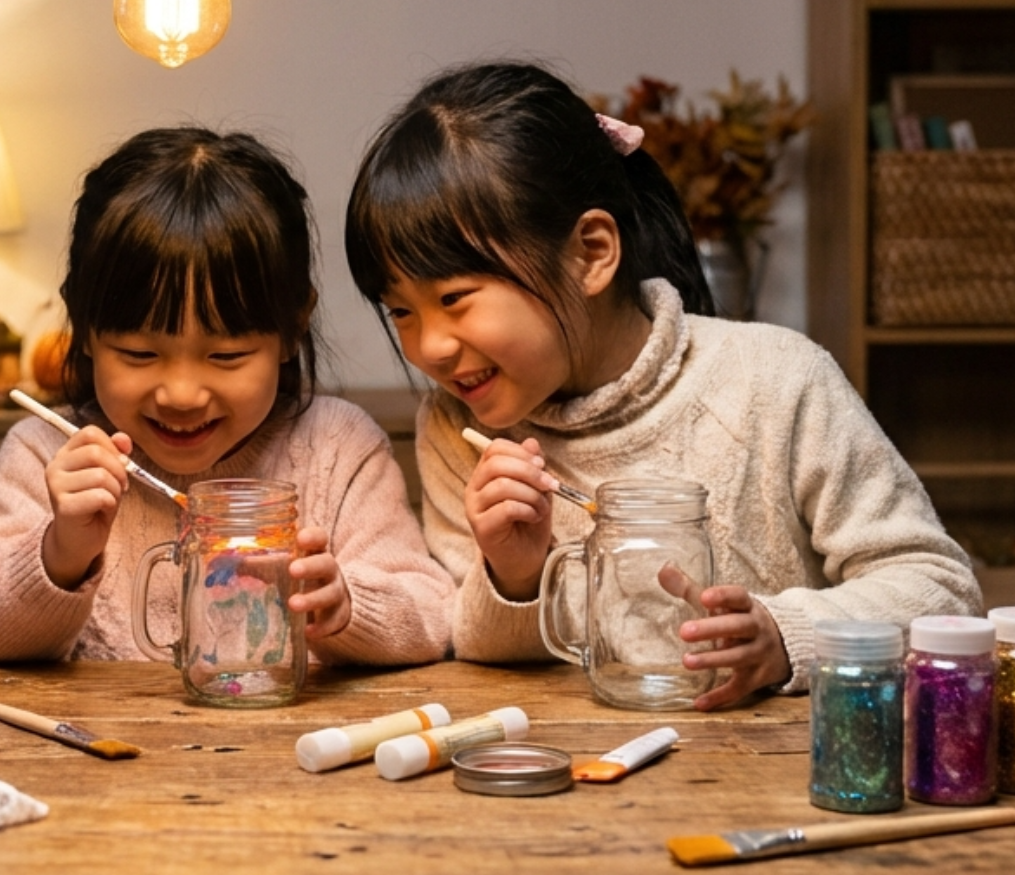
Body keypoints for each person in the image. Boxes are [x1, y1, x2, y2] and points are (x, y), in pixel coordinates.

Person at [343, 61, 980, 709]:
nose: (429, 346)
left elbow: (939, 588)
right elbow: (475, 646)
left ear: (591, 252)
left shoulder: (776, 383)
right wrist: (515, 573)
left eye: (454, 297)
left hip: (779, 783)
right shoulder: (460, 430)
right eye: (401, 311)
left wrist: (788, 636)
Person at [0, 127, 452, 665]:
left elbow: (430, 616)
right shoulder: (46, 452)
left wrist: (347, 608)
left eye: (226, 357)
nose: (181, 395)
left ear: (293, 327)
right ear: (85, 327)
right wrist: (61, 552)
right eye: (140, 354)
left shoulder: (337, 449)